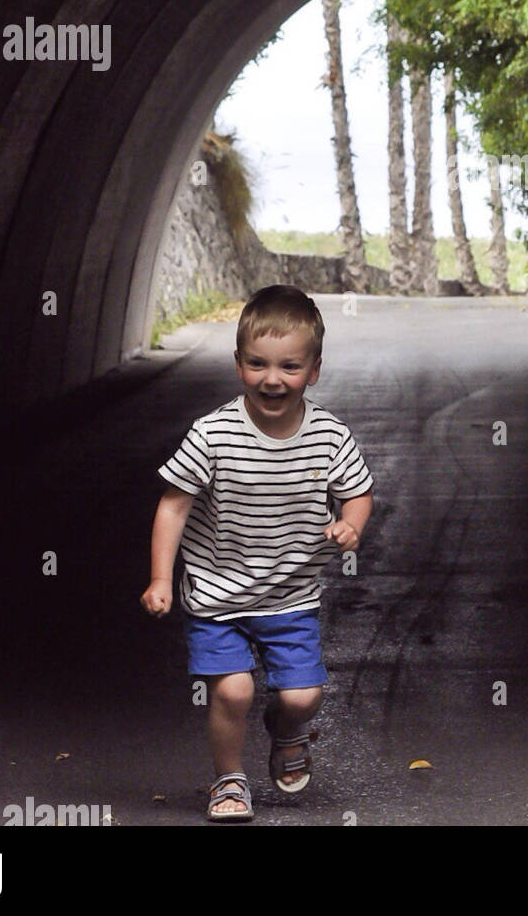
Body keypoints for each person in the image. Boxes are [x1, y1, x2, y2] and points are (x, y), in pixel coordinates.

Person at [140, 285, 374, 820]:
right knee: (234, 692)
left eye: (290, 366)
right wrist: (159, 579)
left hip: (290, 597)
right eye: (257, 364)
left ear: (314, 370)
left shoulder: (329, 436)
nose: (273, 378)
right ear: (238, 364)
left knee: (300, 697)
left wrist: (351, 526)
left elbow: (357, 491)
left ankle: (287, 732)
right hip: (216, 594)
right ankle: (229, 781)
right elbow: (173, 506)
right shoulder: (213, 434)